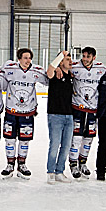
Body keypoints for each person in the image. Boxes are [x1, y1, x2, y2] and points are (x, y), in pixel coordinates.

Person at [1, 48, 49, 179]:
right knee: (9, 140)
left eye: (29, 58)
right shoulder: (9, 68)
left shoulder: (36, 70)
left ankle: (22, 164)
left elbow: (48, 80)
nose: (28, 61)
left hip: (27, 112)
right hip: (11, 111)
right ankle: (10, 164)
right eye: (25, 58)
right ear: (19, 59)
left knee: (24, 140)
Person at [69, 46, 106, 179]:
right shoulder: (74, 66)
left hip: (93, 109)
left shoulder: (101, 68)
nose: (85, 59)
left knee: (89, 138)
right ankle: (73, 163)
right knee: (76, 137)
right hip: (77, 108)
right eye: (83, 56)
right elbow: (61, 67)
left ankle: (82, 162)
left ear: (94, 58)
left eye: (88, 57)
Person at [45, 51, 74, 184]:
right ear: (61, 61)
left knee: (66, 146)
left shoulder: (71, 76)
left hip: (69, 116)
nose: (70, 61)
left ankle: (59, 171)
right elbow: (50, 70)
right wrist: (60, 56)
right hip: (55, 115)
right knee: (55, 145)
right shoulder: (55, 74)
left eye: (70, 59)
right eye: (67, 59)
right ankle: (50, 172)